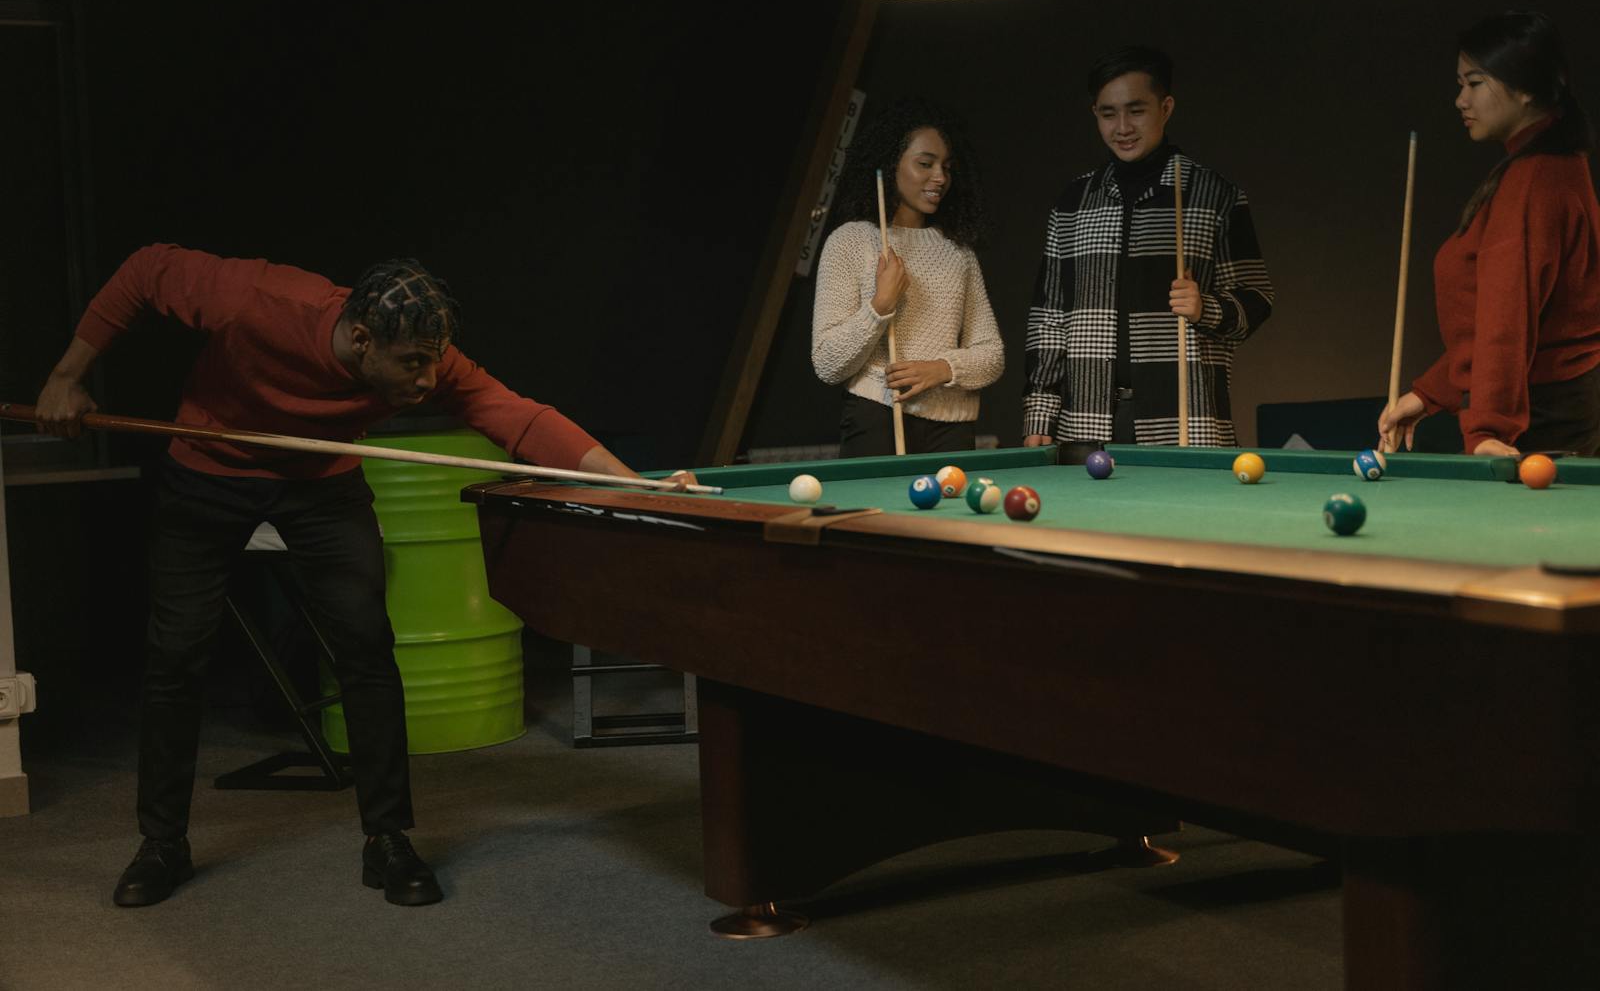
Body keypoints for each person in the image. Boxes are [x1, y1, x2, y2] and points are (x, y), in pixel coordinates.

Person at [33, 245, 688, 908]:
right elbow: (145, 270)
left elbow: (517, 416)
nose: (428, 379)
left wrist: (636, 488)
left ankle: (388, 837)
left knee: (367, 647)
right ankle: (162, 843)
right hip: (208, 472)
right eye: (411, 363)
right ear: (360, 336)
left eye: (434, 360)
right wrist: (66, 376)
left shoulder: (424, 354)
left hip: (322, 487)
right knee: (176, 652)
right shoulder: (259, 299)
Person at [1022, 46, 1273, 448]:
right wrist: (1040, 416)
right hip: (1087, 425)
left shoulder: (1214, 195)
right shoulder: (1071, 203)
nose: (1122, 127)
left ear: (1166, 107)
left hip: (1188, 423)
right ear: (1096, 115)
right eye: (1108, 114)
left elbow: (1258, 300)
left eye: (1136, 110)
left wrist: (1206, 307)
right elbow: (1048, 320)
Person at [1380, 11, 1600, 456]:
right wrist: (1430, 393)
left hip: (1543, 418)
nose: (1461, 100)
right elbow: (1506, 323)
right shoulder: (1554, 165)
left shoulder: (1534, 178)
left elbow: (1508, 319)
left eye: (1474, 83)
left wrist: (1487, 429)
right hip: (1555, 408)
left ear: (1523, 89)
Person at [811, 98, 1004, 457]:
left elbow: (991, 354)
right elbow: (827, 362)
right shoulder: (850, 241)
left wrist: (942, 369)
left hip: (952, 427)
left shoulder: (958, 251)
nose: (940, 178)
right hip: (877, 416)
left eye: (946, 167)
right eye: (925, 164)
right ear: (890, 165)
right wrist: (879, 305)